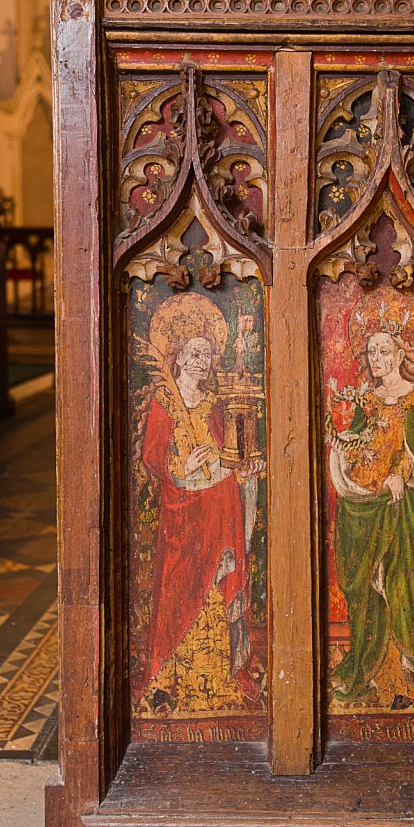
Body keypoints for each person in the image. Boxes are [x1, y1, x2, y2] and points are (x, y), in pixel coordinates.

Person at [138, 292, 261, 715]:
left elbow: (230, 450)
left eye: (206, 355)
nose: (199, 362)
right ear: (177, 357)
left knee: (217, 580)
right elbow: (152, 455)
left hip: (218, 505)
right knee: (180, 585)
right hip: (182, 508)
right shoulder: (165, 401)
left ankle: (218, 675)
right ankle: (171, 675)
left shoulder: (215, 404)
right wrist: (180, 462)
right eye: (193, 353)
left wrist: (241, 467)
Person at [327, 293, 414, 703]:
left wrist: (402, 474)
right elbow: (357, 447)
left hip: (399, 510)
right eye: (371, 351)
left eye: (384, 350)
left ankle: (406, 667)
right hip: (365, 507)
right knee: (365, 587)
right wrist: (345, 460)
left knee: (398, 582)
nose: (377, 357)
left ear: (399, 353)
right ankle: (367, 665)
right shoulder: (366, 400)